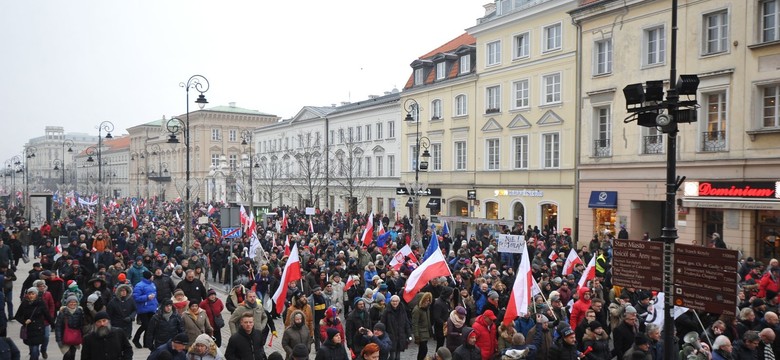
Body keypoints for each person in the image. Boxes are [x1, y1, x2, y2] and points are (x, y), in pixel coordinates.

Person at [15, 287, 53, 360]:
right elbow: (17, 316)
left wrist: (53, 325)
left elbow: (47, 314)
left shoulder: (41, 303)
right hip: (29, 329)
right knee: (32, 349)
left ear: (36, 295)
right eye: (29, 294)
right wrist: (24, 321)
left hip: (38, 328)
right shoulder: (24, 303)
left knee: (35, 348)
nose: (31, 295)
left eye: (33, 294)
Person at [132, 270, 158, 348]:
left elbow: (155, 295)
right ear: (149, 277)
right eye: (152, 276)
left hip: (152, 308)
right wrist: (147, 297)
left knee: (150, 326)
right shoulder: (139, 285)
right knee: (145, 325)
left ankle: (146, 342)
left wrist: (156, 305)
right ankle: (136, 339)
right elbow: (136, 297)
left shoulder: (152, 284)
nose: (153, 277)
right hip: (143, 309)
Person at [54, 296, 84, 360]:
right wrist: (59, 340)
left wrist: (83, 338)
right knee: (67, 354)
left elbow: (82, 326)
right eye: (70, 302)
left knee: (73, 354)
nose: (73, 304)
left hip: (75, 337)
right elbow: (58, 327)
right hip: (64, 337)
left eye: (74, 302)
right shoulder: (63, 312)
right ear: (67, 303)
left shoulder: (80, 312)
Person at [382, 295, 412, 360]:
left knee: (397, 357)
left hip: (400, 336)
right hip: (390, 337)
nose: (395, 303)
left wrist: (409, 335)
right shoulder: (386, 311)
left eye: (396, 301)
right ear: (390, 302)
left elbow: (406, 323)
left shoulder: (402, 310)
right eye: (393, 301)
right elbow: (383, 324)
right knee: (392, 357)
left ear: (399, 302)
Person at [412, 292, 433, 360]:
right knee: (424, 350)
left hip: (426, 332)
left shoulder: (426, 308)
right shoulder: (417, 310)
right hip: (421, 333)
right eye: (426, 300)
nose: (428, 302)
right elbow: (415, 324)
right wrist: (416, 336)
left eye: (428, 300)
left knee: (422, 351)